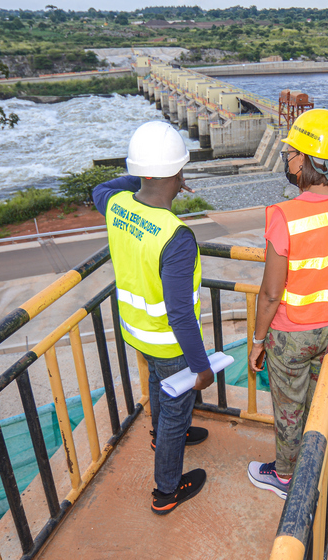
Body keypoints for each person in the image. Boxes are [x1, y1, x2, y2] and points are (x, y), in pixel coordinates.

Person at [245, 109, 328, 500]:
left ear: (304, 159)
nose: (286, 159)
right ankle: (316, 460)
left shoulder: (285, 216)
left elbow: (270, 293)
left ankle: (284, 477)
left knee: (288, 407)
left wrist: (257, 339)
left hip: (290, 334)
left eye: (290, 153)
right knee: (318, 401)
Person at [92, 121, 213, 515]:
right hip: (168, 341)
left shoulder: (116, 204)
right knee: (177, 405)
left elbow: (101, 188)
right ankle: (166, 491)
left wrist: (146, 172)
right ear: (179, 174)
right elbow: (180, 315)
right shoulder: (175, 236)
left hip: (135, 331)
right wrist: (201, 368)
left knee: (158, 382)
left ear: (140, 172)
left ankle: (162, 439)